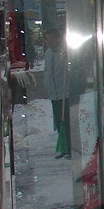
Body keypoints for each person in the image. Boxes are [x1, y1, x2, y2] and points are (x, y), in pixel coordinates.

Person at [42, 28, 70, 159]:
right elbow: (47, 71)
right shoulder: (48, 53)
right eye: (47, 39)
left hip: (65, 93)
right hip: (54, 93)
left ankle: (71, 147)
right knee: (59, 121)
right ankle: (64, 147)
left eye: (52, 38)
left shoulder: (65, 52)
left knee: (68, 121)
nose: (50, 42)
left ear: (58, 38)